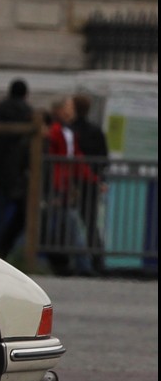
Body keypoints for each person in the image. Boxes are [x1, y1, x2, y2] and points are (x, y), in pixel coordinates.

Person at [42, 95, 96, 276]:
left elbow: (74, 159)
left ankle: (70, 263)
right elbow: (71, 159)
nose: (71, 110)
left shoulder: (64, 131)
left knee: (61, 225)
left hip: (61, 184)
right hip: (60, 185)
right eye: (68, 106)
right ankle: (83, 265)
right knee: (68, 224)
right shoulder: (60, 132)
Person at [0, 79, 34, 258]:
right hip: (17, 173)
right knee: (20, 216)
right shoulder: (28, 114)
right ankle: (5, 252)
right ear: (25, 94)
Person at [69, 93, 109, 274]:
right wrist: (99, 178)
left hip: (72, 182)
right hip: (91, 182)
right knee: (91, 223)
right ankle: (98, 260)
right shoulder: (95, 130)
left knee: (68, 220)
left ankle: (72, 260)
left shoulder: (70, 130)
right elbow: (104, 157)